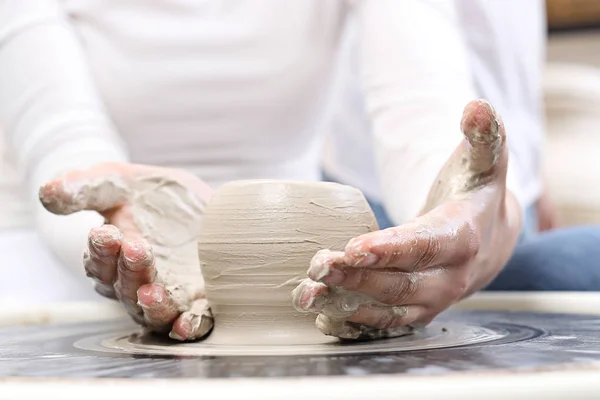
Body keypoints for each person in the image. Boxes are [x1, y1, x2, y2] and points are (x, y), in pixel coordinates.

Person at [0, 1, 593, 342]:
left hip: (298, 283)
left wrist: (463, 210)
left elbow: (423, 117)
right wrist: (120, 232)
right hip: (57, 266)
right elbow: (63, 148)